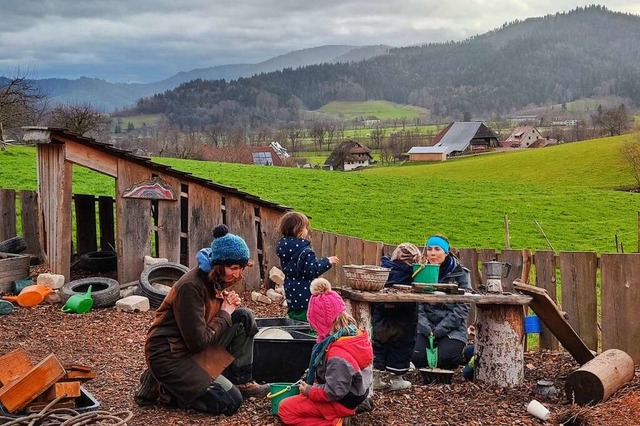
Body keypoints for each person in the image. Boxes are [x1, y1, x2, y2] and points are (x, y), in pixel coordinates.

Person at [134, 224, 269, 416]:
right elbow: (197, 343)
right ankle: (165, 389)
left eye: (241, 268)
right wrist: (225, 312)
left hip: (190, 345)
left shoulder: (214, 278)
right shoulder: (191, 286)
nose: (238, 274)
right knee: (230, 401)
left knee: (243, 317)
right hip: (169, 355)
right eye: (234, 268)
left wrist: (226, 305)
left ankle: (242, 381)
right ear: (219, 264)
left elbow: (206, 321)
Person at [278, 278, 373, 426]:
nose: (314, 329)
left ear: (322, 323)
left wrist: (309, 390)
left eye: (314, 324)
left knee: (285, 409)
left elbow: (334, 392)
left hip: (340, 401)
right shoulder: (352, 336)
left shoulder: (337, 355)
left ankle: (336, 422)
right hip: (352, 394)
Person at [411, 234, 474, 379]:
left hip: (452, 327)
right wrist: (425, 327)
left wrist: (441, 329)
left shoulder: (460, 273)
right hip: (425, 326)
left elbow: (463, 306)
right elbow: (417, 302)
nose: (432, 253)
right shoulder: (421, 271)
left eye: (437, 249)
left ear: (446, 252)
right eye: (430, 249)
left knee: (447, 359)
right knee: (418, 357)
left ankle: (464, 352)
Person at [372, 243, 422, 391]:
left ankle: (375, 376)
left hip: (382, 315)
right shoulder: (412, 273)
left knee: (379, 344)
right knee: (401, 345)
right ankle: (397, 378)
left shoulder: (385, 270)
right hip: (403, 316)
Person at [276, 211, 339, 322]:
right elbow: (313, 270)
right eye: (305, 227)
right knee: (308, 319)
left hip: (291, 290)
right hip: (306, 294)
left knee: (294, 317)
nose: (307, 230)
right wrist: (327, 261)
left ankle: (294, 333)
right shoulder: (305, 250)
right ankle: (309, 336)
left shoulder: (283, 248)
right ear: (298, 230)